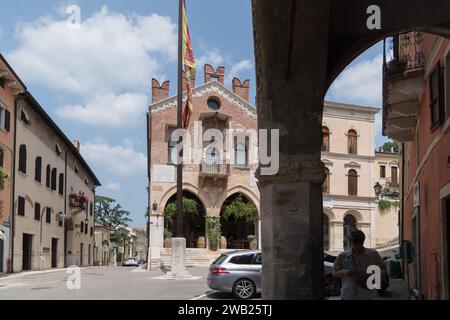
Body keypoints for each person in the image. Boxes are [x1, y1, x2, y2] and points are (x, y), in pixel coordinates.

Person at [333, 230, 387, 300]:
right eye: (352, 242)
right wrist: (346, 272)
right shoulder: (343, 256)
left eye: (356, 243)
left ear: (362, 242)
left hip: (367, 295)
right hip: (348, 296)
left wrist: (373, 278)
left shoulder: (372, 254)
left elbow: (383, 268)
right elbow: (334, 272)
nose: (353, 244)